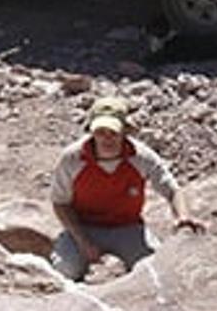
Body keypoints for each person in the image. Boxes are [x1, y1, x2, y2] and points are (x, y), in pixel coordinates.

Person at [50, 96, 205, 281]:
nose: (107, 138)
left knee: (156, 272)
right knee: (64, 271)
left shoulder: (141, 157)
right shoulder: (72, 158)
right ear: (91, 131)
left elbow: (172, 189)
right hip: (83, 227)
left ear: (124, 131)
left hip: (128, 227)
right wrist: (82, 240)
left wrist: (182, 216)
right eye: (100, 132)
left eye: (113, 132)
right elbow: (60, 202)